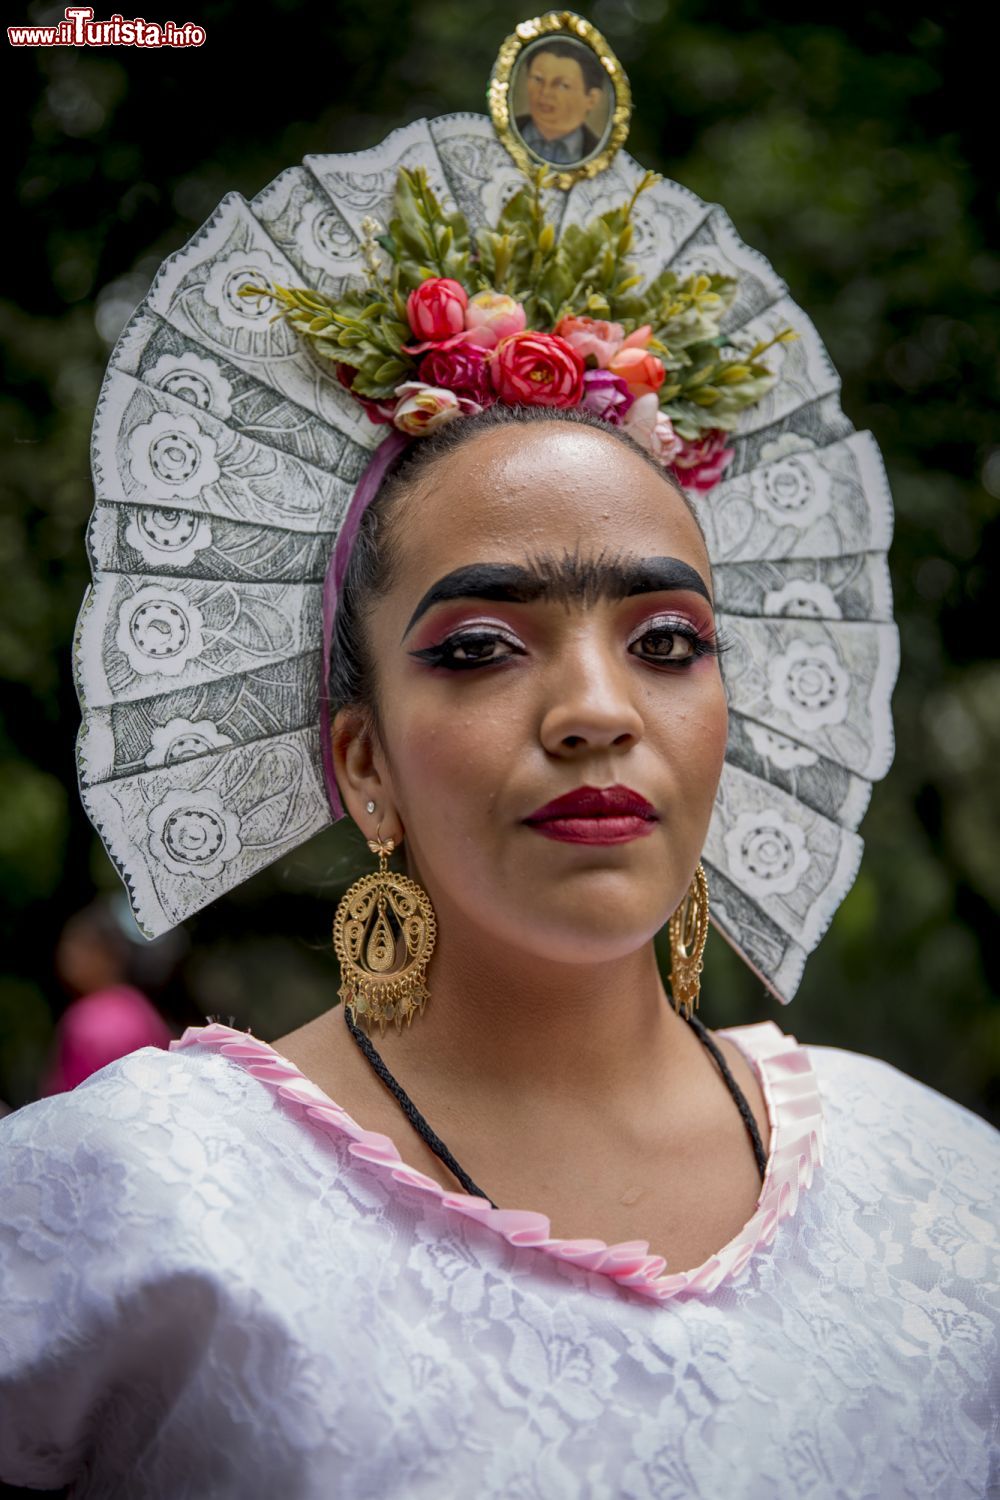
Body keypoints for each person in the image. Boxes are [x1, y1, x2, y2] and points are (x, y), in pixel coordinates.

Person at [0, 81, 997, 1495]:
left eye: (666, 644)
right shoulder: (133, 1205)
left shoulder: (947, 1201)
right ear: (363, 762)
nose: (596, 710)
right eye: (479, 648)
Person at [515, 40, 608, 165]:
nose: (545, 92)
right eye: (538, 79)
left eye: (563, 85)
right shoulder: (501, 132)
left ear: (592, 98)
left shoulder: (602, 157)